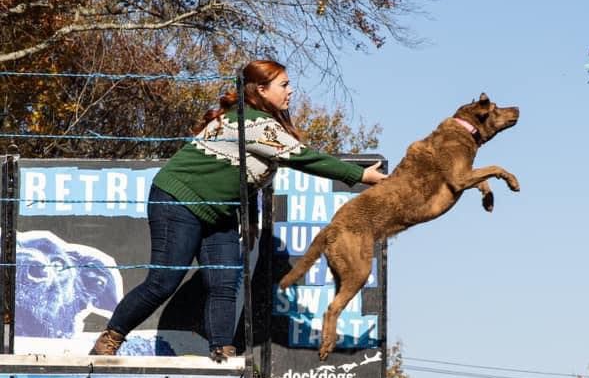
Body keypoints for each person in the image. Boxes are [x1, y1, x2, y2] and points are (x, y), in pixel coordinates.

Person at [89, 60, 386, 361]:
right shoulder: (255, 124)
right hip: (179, 200)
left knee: (224, 282)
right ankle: (110, 338)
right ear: (261, 89)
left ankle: (221, 352)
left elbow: (246, 179)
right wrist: (360, 175)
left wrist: (251, 219)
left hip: (220, 213)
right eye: (283, 84)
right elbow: (305, 158)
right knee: (162, 283)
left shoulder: (264, 124)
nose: (291, 91)